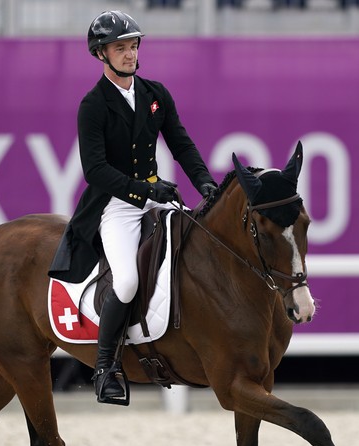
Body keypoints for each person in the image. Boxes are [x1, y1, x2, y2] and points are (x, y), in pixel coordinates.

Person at [48, 10, 217, 402]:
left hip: (156, 199)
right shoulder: (93, 105)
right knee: (126, 281)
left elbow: (181, 143)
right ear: (101, 54)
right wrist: (144, 190)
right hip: (116, 206)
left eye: (134, 46)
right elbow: (96, 171)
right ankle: (106, 367)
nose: (130, 54)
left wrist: (205, 183)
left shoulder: (155, 93)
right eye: (120, 48)